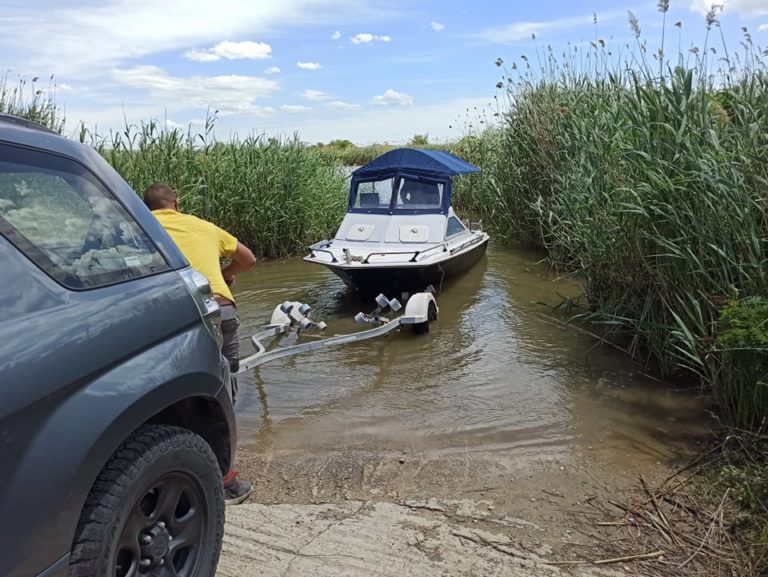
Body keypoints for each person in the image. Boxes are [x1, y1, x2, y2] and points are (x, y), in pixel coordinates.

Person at [143, 182, 256, 505]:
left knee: (170, 393)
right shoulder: (202, 225)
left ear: (146, 206)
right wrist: (227, 273)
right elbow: (248, 258)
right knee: (223, 388)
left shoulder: (140, 226)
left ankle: (171, 467)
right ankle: (226, 480)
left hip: (168, 315)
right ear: (176, 204)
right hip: (219, 308)